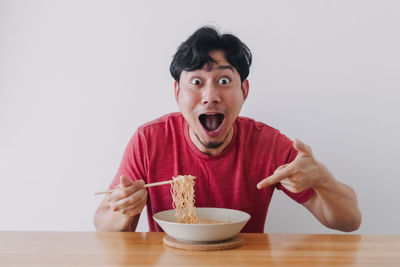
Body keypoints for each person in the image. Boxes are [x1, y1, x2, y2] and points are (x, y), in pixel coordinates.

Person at [94, 26, 362, 233]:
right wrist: (124, 208)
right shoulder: (150, 140)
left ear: (244, 90)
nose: (210, 96)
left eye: (223, 80)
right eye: (196, 81)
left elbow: (350, 221)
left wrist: (322, 179)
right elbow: (103, 224)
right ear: (177, 93)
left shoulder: (268, 145)